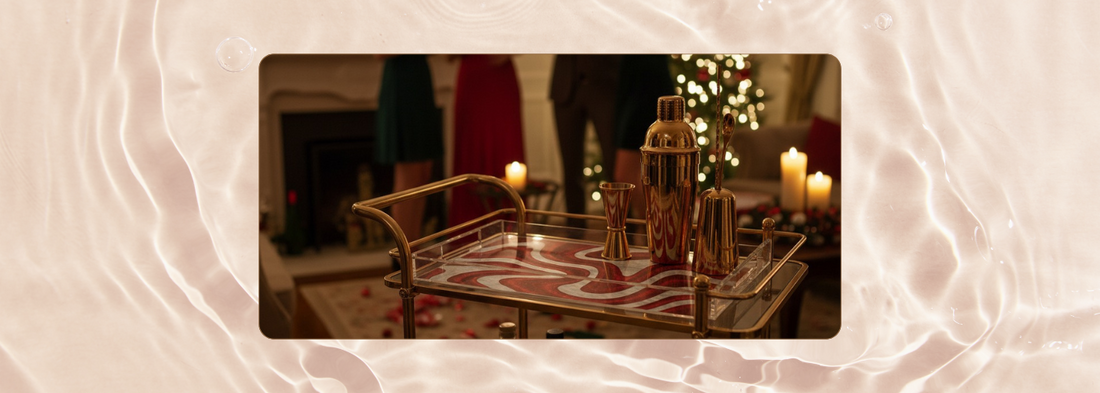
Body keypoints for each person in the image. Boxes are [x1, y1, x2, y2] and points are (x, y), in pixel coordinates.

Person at [375, 55, 443, 270]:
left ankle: (413, 244)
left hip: (420, 77)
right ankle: (402, 254)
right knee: (408, 170)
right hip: (401, 81)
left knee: (423, 171)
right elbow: (379, 51)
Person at [448, 54, 527, 227]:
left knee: (506, 147)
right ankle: (469, 225)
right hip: (472, 76)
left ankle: (511, 222)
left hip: (501, 76)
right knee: (471, 149)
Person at [549, 55, 621, 226]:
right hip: (566, 85)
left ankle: (622, 232)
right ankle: (574, 235)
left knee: (615, 170)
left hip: (606, 83)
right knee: (570, 170)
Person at [612, 55, 675, 218]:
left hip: (648, 84)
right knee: (631, 174)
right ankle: (650, 229)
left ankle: (651, 229)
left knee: (629, 175)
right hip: (631, 84)